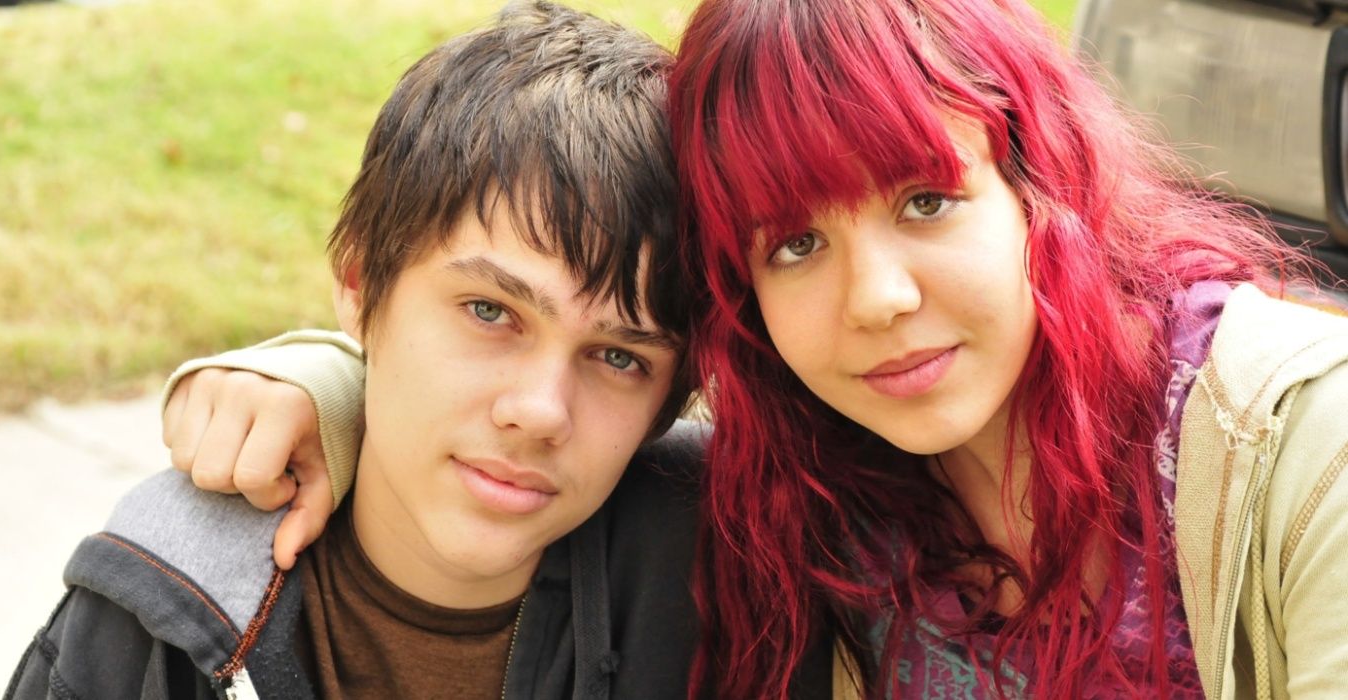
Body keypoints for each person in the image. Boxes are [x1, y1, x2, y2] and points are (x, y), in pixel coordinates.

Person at [164, 0, 1348, 698]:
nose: (874, 299)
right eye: (791, 244)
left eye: (924, 200)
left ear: (1041, 181)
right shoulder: (810, 488)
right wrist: (333, 381)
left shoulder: (1307, 457)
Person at [5, 3, 716, 698]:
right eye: (490, 311)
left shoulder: (727, 593)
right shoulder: (158, 607)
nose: (538, 411)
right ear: (359, 280)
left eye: (621, 357)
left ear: (673, 394)